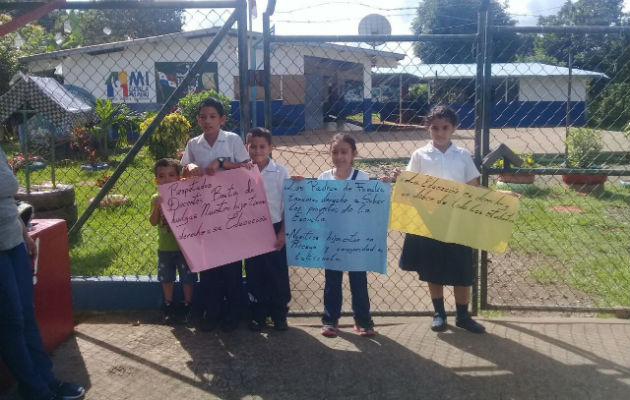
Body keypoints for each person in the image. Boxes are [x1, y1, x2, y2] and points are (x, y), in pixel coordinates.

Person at [0, 146, 86, 400]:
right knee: (11, 320)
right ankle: (35, 389)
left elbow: (7, 198)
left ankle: (47, 380)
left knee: (27, 315)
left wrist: (23, 233)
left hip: (12, 239)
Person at [395, 105, 486, 334]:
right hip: (430, 220)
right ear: (428, 129)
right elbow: (411, 186)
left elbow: (473, 187)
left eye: (445, 127)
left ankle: (463, 316)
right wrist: (401, 179)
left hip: (457, 221)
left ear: (454, 128)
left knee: (462, 270)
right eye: (435, 128)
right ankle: (439, 313)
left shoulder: (463, 155)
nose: (440, 132)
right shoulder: (419, 155)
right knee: (432, 268)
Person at [179, 97, 251, 332]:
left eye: (213, 117)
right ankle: (212, 311)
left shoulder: (232, 140)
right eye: (203, 117)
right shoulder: (193, 144)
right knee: (209, 265)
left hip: (230, 211)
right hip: (204, 213)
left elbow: (247, 169)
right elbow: (183, 172)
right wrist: (189, 169)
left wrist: (221, 163)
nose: (207, 121)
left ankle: (233, 313)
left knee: (231, 264)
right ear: (198, 119)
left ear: (222, 119)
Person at [318, 133, 376, 338]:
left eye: (344, 152)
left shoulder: (362, 177)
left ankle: (363, 320)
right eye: (335, 152)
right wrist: (299, 187)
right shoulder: (324, 177)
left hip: (355, 239)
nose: (339, 156)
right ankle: (330, 320)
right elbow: (316, 206)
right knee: (332, 281)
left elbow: (369, 206)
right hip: (332, 239)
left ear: (353, 154)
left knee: (358, 281)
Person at [243, 127, 291, 332]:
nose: (257, 150)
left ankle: (279, 314)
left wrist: (282, 233)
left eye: (262, 146)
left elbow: (288, 205)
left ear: (271, 148)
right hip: (251, 229)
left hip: (275, 227)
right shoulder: (240, 171)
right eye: (253, 146)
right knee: (255, 273)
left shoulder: (280, 172)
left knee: (277, 273)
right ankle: (258, 315)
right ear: (247, 147)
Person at [149, 158, 197, 324]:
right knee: (166, 278)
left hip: (185, 247)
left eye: (171, 175)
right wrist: (156, 207)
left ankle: (188, 305)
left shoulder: (185, 195)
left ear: (179, 177)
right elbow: (153, 222)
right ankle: (168, 305)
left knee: (187, 278)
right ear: (156, 180)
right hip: (165, 248)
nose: (167, 179)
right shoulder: (156, 197)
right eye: (161, 176)